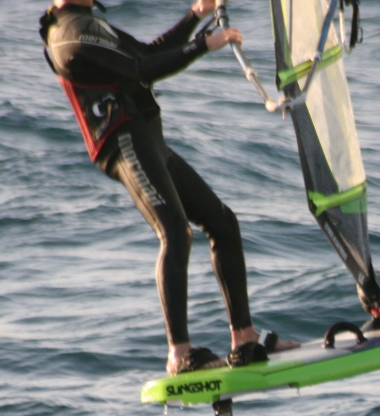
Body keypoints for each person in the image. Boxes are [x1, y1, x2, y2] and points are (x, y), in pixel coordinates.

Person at [40, 0, 297, 374]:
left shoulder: (86, 22)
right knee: (175, 233)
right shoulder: (70, 34)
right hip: (122, 142)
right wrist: (203, 45)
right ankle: (179, 354)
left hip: (148, 139)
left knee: (223, 222)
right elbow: (144, 70)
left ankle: (244, 337)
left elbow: (145, 53)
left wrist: (195, 15)